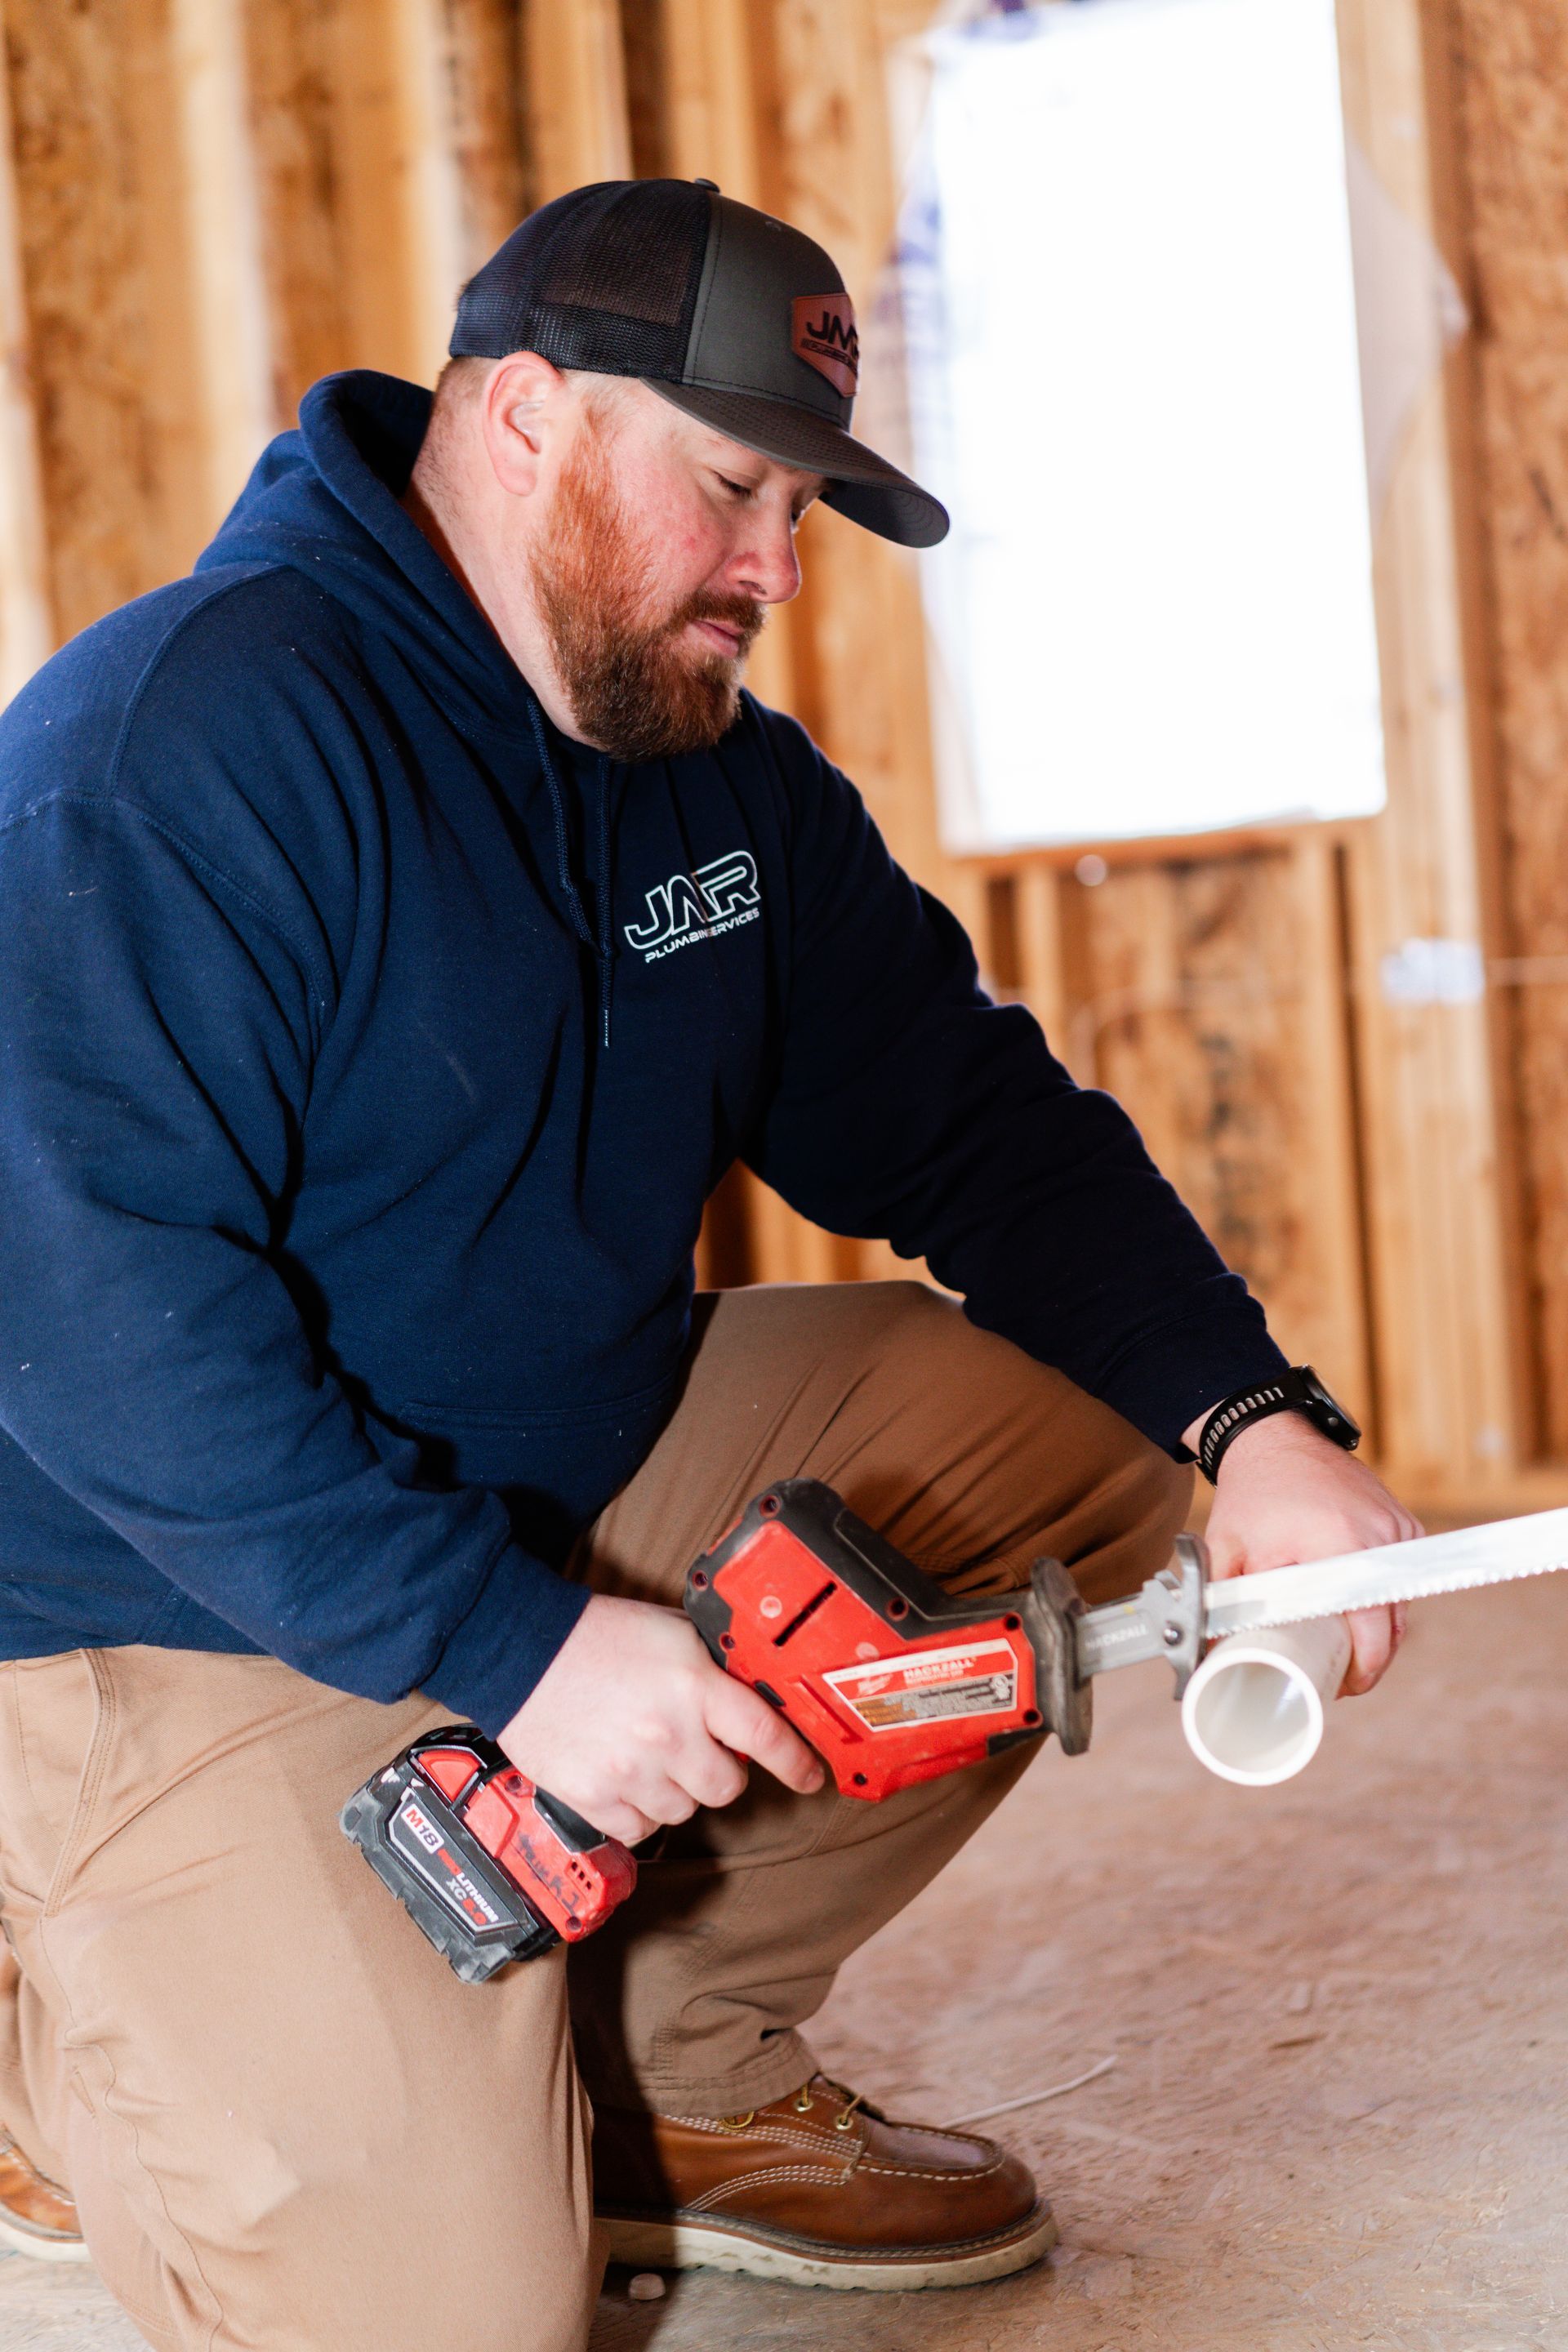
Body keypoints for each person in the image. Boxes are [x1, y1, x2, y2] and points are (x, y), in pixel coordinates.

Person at [0, 178, 1414, 2350]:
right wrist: (516, 1644)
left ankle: (671, 2068)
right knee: (459, 2320)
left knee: (1089, 1431)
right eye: (733, 486)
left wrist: (1256, 1417)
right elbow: (83, 1327)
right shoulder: (184, 746)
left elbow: (970, 1118)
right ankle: (67, 2018)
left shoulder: (710, 786)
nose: (772, 567)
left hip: (545, 1497)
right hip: (166, 1618)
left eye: (804, 506)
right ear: (525, 419)